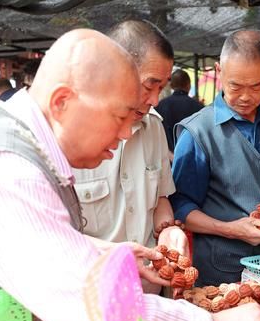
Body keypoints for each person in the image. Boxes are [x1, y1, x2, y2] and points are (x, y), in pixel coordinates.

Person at [0, 29, 260, 321]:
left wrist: (107, 254)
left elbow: (45, 243)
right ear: (62, 102)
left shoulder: (15, 135)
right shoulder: (7, 172)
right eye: (120, 117)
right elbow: (91, 304)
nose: (125, 133)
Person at [171, 29, 260, 285]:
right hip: (223, 272)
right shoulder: (198, 131)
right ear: (219, 71)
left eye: (257, 86)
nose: (245, 97)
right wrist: (231, 230)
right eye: (235, 85)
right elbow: (182, 207)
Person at [73, 20, 189, 292]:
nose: (155, 100)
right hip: (92, 296)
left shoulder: (154, 127)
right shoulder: (71, 139)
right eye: (149, 85)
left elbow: (160, 196)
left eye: (161, 88)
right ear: (112, 69)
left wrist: (168, 230)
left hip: (148, 289)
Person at [156, 69, 204, 153]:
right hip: (191, 158)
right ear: (188, 85)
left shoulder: (159, 106)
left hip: (165, 157)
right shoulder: (199, 107)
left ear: (171, 85)